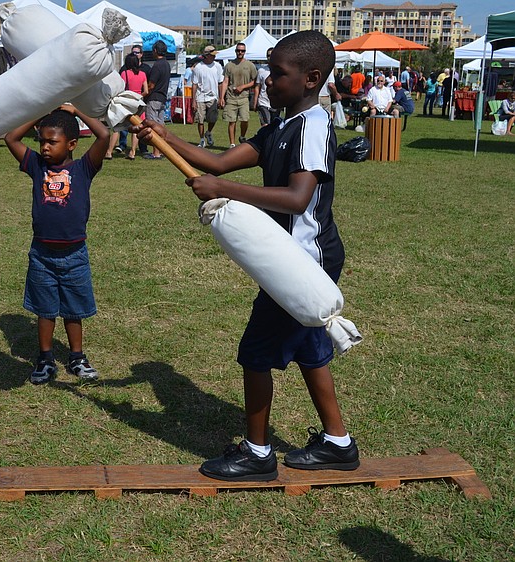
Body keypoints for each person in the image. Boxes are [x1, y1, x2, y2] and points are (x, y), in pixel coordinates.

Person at [135, 30, 359, 481]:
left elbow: (297, 198)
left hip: (302, 260)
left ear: (311, 78)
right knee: (310, 347)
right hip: (289, 255)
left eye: (278, 73)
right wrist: (164, 135)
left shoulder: (313, 127)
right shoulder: (281, 126)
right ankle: (338, 443)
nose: (267, 81)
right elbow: (219, 163)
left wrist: (223, 191)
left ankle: (258, 454)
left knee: (256, 352)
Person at [4, 105, 110, 385]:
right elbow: (11, 138)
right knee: (45, 309)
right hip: (42, 254)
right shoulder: (37, 166)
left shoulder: (84, 168)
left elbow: (103, 135)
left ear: (72, 144)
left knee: (74, 310)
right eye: (42, 141)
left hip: (75, 254)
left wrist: (78, 111)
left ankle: (77, 357)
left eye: (52, 142)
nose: (45, 147)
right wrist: (40, 113)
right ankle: (45, 358)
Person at [220, 42, 258, 148]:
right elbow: (225, 82)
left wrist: (243, 87)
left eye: (242, 51)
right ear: (235, 51)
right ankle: (232, 144)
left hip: (244, 97)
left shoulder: (250, 65)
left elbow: (255, 81)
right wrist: (221, 97)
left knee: (245, 120)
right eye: (238, 50)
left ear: (245, 52)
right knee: (231, 121)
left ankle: (242, 136)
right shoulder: (229, 65)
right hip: (231, 97)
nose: (240, 52)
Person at [114, 53, 147, 160]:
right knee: (137, 127)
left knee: (120, 126)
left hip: (128, 102)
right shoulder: (142, 74)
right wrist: (139, 96)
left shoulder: (124, 73)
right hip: (139, 102)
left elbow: (120, 88)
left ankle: (112, 149)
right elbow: (146, 91)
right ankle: (133, 151)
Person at [191, 45, 224, 148]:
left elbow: (220, 82)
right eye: (212, 55)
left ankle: (208, 132)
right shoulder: (198, 67)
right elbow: (194, 84)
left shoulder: (217, 66)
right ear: (207, 55)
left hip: (213, 97)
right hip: (200, 96)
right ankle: (202, 139)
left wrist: (221, 97)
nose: (214, 57)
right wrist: (193, 100)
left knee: (212, 119)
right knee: (200, 119)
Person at [144, 40, 171, 159]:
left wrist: (144, 94)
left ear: (155, 50)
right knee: (161, 126)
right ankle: (161, 151)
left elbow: (151, 85)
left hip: (154, 98)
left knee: (153, 126)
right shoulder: (167, 64)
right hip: (162, 98)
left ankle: (156, 152)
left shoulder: (157, 65)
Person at [253, 47, 278, 127]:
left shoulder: (279, 71)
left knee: (274, 126)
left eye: (272, 55)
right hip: (263, 102)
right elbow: (257, 86)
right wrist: (255, 101)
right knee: (265, 125)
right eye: (268, 55)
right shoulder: (261, 70)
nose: (269, 57)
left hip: (275, 103)